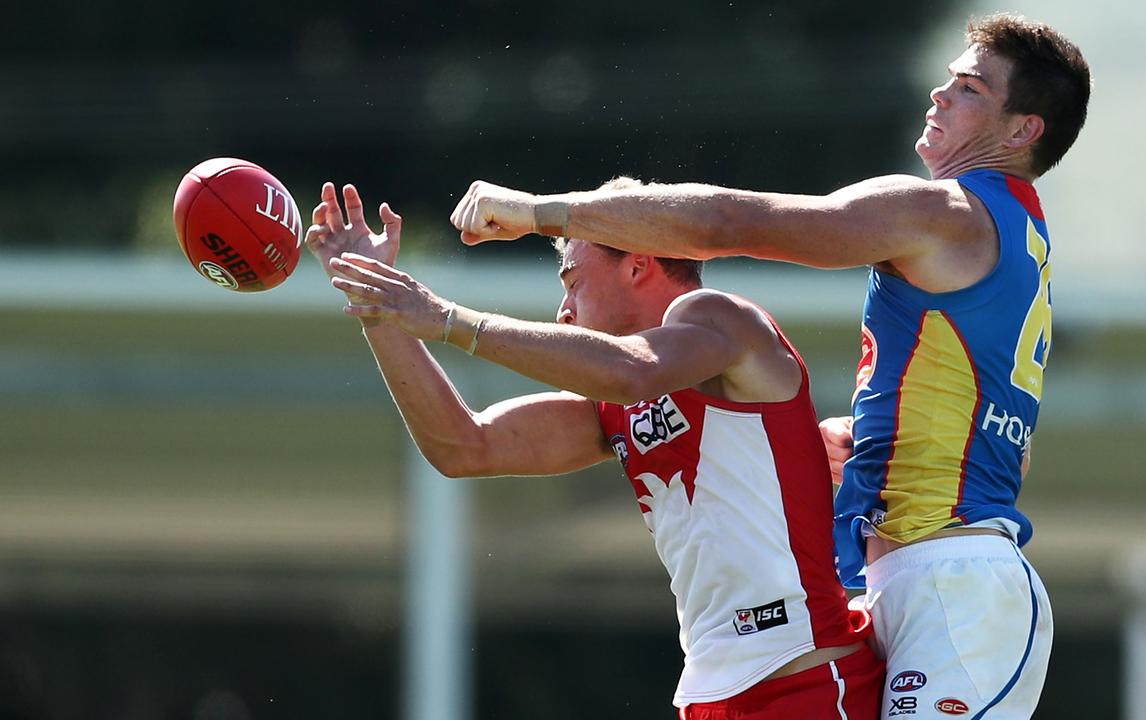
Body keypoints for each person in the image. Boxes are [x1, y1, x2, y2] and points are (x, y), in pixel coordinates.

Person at [445, 13, 1090, 719]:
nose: (941, 95)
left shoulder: (947, 211)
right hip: (909, 577)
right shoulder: (1007, 230)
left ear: (1022, 130)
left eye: (969, 88)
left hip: (955, 582)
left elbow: (730, 226)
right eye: (948, 79)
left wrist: (544, 212)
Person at [304, 177, 884, 719]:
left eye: (572, 280)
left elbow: (633, 370)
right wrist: (377, 309)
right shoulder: (613, 402)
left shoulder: (717, 319)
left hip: (807, 681)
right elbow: (464, 445)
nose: (564, 309)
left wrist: (448, 319)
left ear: (637, 262)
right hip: (712, 693)